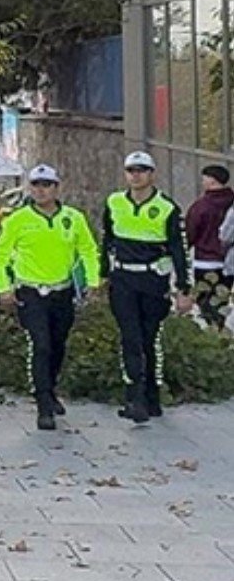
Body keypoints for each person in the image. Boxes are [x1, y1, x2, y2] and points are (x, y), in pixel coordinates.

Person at [0, 164, 101, 430]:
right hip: (31, 291)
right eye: (36, 185)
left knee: (58, 344)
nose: (40, 190)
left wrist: (93, 282)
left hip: (62, 291)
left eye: (46, 185)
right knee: (41, 345)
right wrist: (3, 287)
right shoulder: (18, 219)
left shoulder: (73, 218)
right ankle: (42, 405)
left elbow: (87, 249)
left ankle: (50, 389)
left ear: (56, 188)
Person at [101, 151, 194, 423]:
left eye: (142, 170)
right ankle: (135, 398)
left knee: (149, 338)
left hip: (153, 280)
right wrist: (102, 274)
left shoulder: (167, 207)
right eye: (131, 170)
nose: (136, 175)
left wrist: (184, 289)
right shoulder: (114, 202)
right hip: (123, 279)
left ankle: (152, 396)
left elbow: (179, 249)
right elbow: (107, 239)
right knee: (130, 337)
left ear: (152, 174)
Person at [186, 165, 234, 331]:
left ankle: (212, 336)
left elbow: (190, 232)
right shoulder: (231, 202)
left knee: (205, 303)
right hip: (228, 263)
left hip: (205, 261)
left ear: (212, 181)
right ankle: (219, 330)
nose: (202, 182)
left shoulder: (201, 206)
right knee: (221, 302)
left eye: (204, 178)